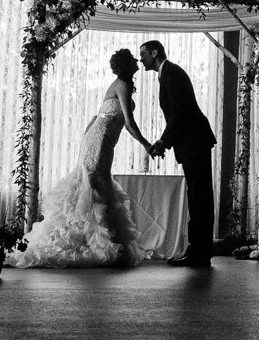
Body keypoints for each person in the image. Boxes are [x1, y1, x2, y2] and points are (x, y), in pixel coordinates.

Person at [15, 48, 154, 268]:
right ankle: (88, 242)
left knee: (96, 182)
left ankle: (91, 240)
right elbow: (128, 123)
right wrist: (147, 145)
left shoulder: (120, 85)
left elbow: (102, 116)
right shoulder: (123, 85)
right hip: (99, 139)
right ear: (128, 66)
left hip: (102, 138)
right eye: (133, 60)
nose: (138, 61)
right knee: (92, 183)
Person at [140, 39, 217, 267]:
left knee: (200, 198)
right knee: (197, 198)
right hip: (191, 142)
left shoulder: (171, 73)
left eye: (143, 54)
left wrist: (164, 141)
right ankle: (198, 252)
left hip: (194, 141)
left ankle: (200, 254)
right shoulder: (167, 73)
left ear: (154, 53)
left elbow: (179, 113)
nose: (140, 59)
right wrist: (165, 141)